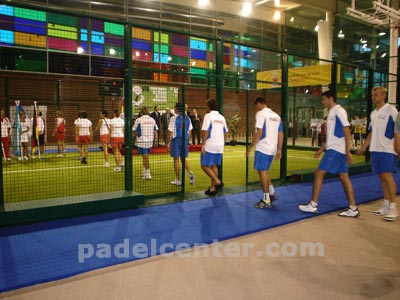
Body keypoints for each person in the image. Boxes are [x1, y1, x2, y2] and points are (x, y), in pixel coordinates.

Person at [298, 90, 359, 218]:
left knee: (319, 173)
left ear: (331, 98)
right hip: (335, 148)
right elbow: (332, 135)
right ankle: (353, 208)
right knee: (344, 177)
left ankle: (313, 205)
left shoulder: (339, 111)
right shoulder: (331, 113)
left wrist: (347, 151)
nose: (323, 102)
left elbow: (347, 131)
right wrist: (322, 148)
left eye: (324, 99)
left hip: (337, 150)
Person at [357, 86, 398, 221]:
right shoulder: (373, 113)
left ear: (383, 95)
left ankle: (393, 207)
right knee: (382, 177)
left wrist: (398, 147)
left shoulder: (392, 111)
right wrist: (364, 147)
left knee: (388, 177)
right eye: (372, 95)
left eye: (375, 95)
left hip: (388, 150)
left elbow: (398, 131)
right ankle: (386, 204)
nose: (373, 97)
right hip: (375, 149)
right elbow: (371, 133)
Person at [247, 97, 283, 208]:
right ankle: (271, 193)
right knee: (265, 171)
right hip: (272, 148)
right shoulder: (277, 116)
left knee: (262, 172)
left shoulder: (261, 114)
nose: (256, 108)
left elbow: (259, 132)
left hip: (263, 147)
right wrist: (279, 149)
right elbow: (281, 133)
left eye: (256, 105)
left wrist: (250, 147)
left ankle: (266, 199)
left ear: (260, 104)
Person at [201, 99, 228, 196]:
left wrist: (203, 144)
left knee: (204, 165)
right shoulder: (222, 117)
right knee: (214, 166)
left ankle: (217, 182)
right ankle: (212, 188)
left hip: (210, 144)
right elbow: (225, 132)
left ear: (209, 107)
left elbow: (205, 131)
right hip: (219, 145)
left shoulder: (208, 116)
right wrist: (223, 144)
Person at [167, 102, 195, 186]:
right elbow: (190, 132)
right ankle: (190, 172)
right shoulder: (188, 118)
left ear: (177, 109)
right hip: (185, 140)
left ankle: (178, 180)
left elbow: (170, 131)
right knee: (183, 159)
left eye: (175, 107)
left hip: (176, 140)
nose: (174, 109)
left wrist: (168, 142)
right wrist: (186, 140)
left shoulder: (173, 118)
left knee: (176, 160)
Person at [133, 106, 158, 180]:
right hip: (150, 141)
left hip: (141, 141)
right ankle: (144, 171)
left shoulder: (138, 120)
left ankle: (148, 173)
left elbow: (133, 130)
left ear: (141, 112)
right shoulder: (152, 120)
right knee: (145, 157)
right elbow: (155, 131)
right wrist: (156, 140)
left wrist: (132, 138)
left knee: (145, 157)